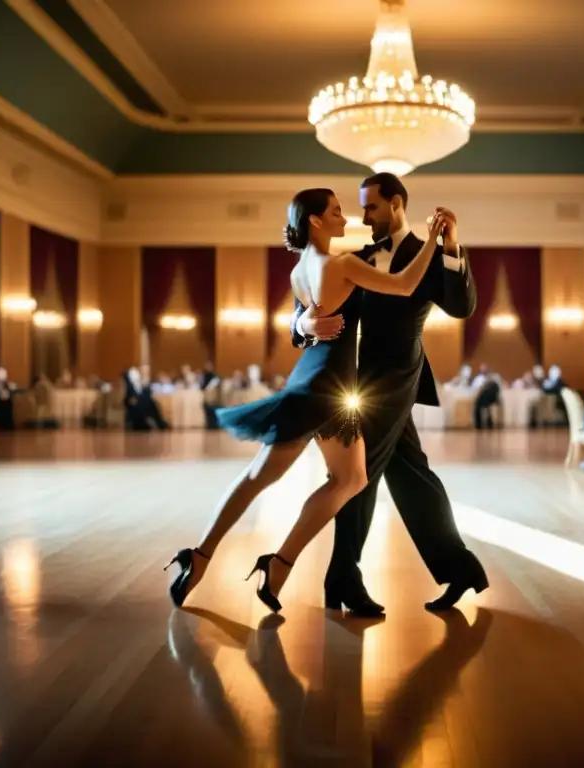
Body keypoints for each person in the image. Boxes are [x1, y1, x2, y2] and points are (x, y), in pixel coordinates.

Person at [165, 188, 446, 613]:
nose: (345, 217)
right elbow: (406, 285)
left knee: (269, 477)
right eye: (336, 211)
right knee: (348, 480)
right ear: (315, 220)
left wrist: (302, 321)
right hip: (330, 390)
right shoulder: (344, 264)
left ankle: (203, 557)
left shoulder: (300, 269)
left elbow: (301, 325)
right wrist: (433, 241)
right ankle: (277, 563)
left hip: (310, 382)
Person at [291, 172, 487, 616]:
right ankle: (460, 569)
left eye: (371, 208)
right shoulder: (355, 258)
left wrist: (452, 248)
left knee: (356, 475)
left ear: (397, 204)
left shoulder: (430, 255)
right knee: (411, 475)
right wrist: (303, 326)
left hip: (399, 379)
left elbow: (462, 307)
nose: (363, 217)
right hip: (358, 384)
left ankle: (341, 576)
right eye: (360, 208)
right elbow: (301, 316)